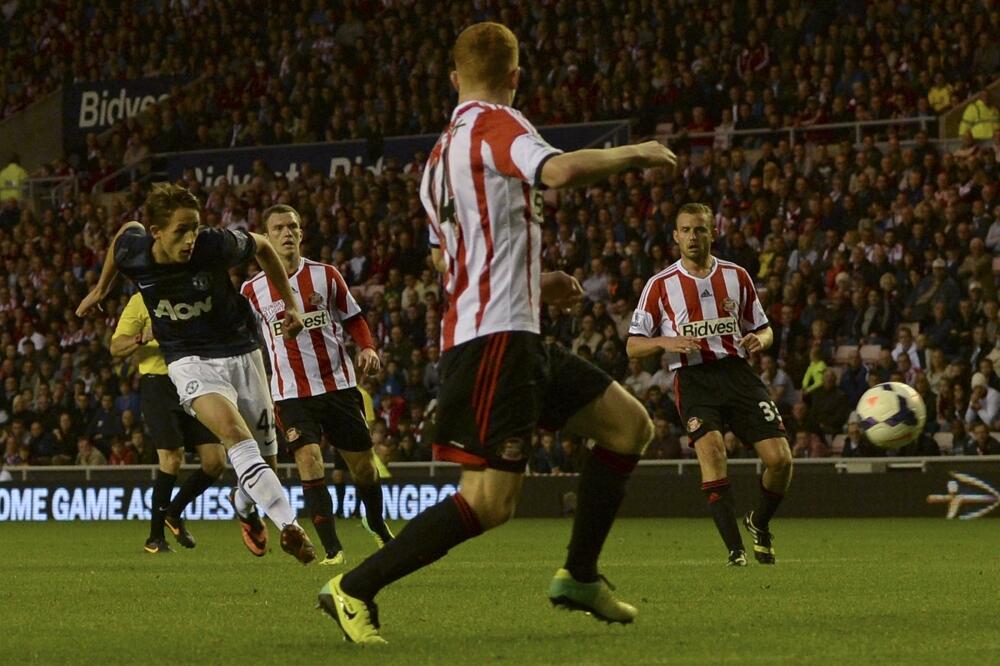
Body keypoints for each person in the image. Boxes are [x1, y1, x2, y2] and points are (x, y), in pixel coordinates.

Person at [318, 21, 675, 644]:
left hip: (514, 328)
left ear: (453, 77)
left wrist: (536, 280)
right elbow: (556, 172)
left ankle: (581, 575)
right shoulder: (497, 123)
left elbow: (446, 261)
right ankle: (353, 588)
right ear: (514, 77)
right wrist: (635, 153)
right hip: (495, 340)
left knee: (628, 426)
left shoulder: (434, 162)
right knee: (488, 503)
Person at [76, 183, 316, 564]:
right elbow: (123, 235)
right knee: (233, 435)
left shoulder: (215, 244)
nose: (190, 239)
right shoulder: (135, 253)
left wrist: (291, 305)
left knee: (266, 463)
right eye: (180, 231)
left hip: (240, 349)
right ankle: (290, 525)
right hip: (187, 358)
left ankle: (243, 504)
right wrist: (101, 289)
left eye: (194, 228)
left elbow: (264, 247)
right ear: (156, 233)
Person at [627, 203, 793, 567]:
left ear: (712, 233)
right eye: (685, 230)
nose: (692, 237)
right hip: (694, 379)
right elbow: (633, 344)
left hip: (737, 374)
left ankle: (759, 523)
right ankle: (735, 551)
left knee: (780, 460)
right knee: (713, 450)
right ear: (675, 236)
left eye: (699, 230)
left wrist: (759, 341)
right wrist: (664, 343)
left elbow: (763, 328)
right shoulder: (659, 285)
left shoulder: (737, 276)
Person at [241, 204, 394, 565]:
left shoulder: (326, 275)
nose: (287, 233)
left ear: (301, 233)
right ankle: (331, 547)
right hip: (291, 393)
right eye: (278, 228)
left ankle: (374, 521)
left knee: (364, 468)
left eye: (293, 226)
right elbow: (243, 336)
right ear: (266, 237)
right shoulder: (252, 290)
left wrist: (368, 346)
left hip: (338, 385)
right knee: (310, 461)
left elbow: (353, 318)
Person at [111, 292, 226, 554]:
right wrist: (142, 337)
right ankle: (154, 538)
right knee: (171, 459)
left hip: (194, 381)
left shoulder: (192, 296)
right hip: (158, 385)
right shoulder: (140, 301)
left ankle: (173, 512)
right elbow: (115, 347)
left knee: (215, 461)